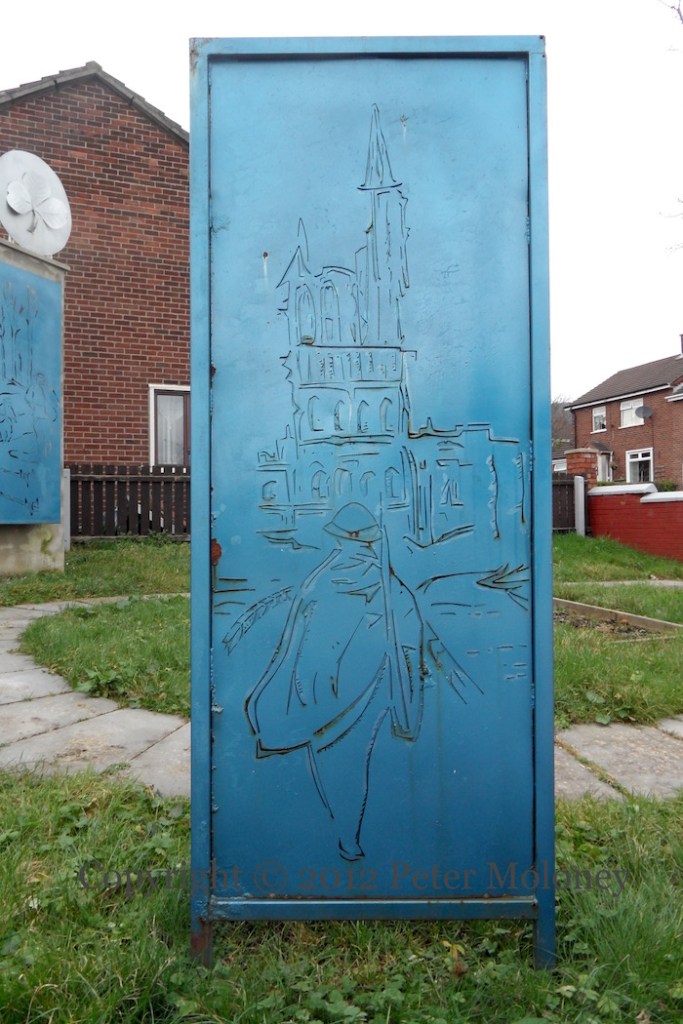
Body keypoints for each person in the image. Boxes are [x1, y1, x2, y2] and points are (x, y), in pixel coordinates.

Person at [245, 502, 425, 860]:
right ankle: (347, 834)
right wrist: (407, 694)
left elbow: (295, 643)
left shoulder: (320, 582)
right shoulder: (387, 586)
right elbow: (409, 641)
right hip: (368, 689)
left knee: (334, 757)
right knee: (349, 759)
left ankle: (346, 836)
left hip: (327, 694)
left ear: (342, 540)